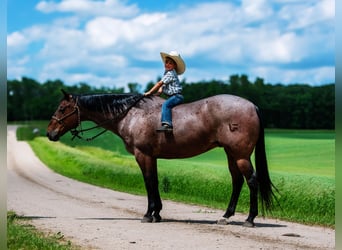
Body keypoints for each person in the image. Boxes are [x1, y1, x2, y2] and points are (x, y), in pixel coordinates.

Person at [144, 51, 186, 132]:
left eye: (170, 63)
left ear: (174, 66)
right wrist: (158, 93)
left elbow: (160, 83)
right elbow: (162, 87)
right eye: (166, 62)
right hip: (173, 96)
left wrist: (149, 92)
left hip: (176, 96)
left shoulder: (170, 74)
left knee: (166, 105)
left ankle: (167, 125)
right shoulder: (167, 73)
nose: (168, 64)